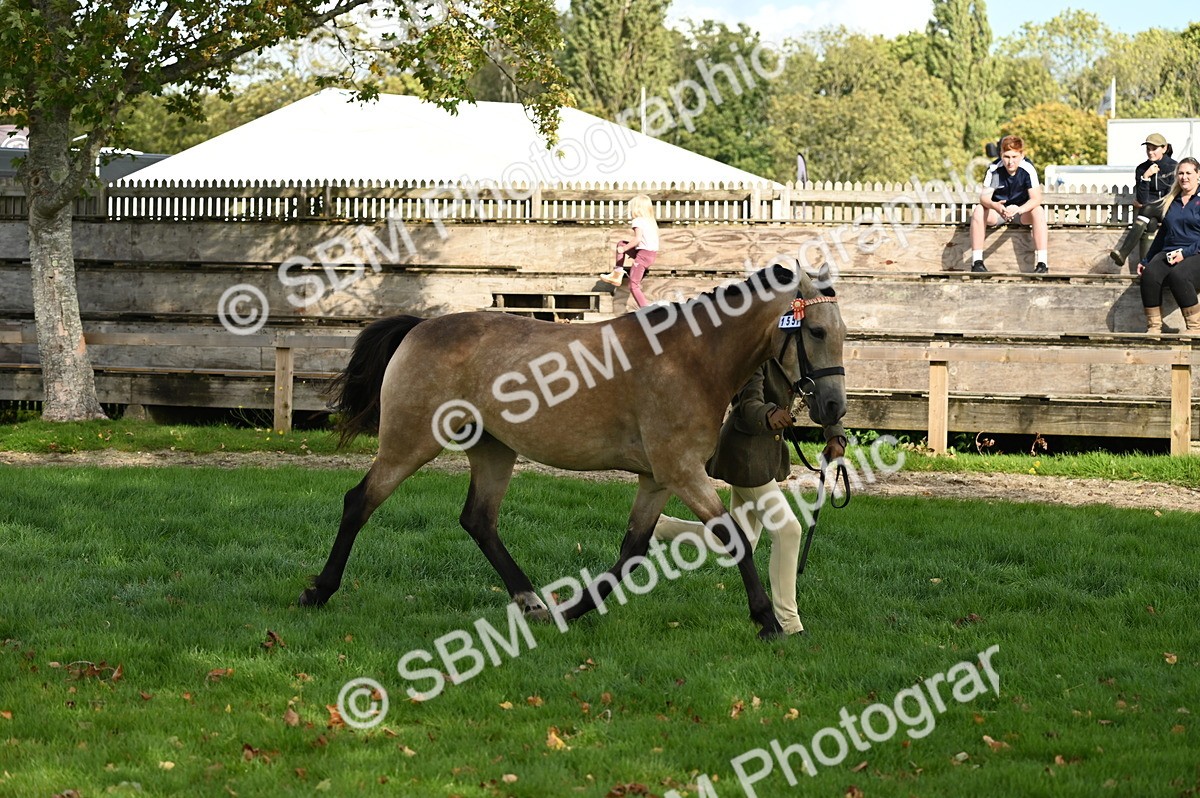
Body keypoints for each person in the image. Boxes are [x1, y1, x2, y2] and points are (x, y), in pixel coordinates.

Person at [653, 359, 847, 636]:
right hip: (744, 455)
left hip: (764, 456)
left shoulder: (801, 352)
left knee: (738, 540)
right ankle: (787, 623)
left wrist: (835, 435)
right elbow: (747, 404)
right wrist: (768, 414)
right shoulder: (757, 354)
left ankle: (659, 528)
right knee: (788, 529)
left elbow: (823, 391)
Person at [969, 135, 1050, 274]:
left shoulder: (1027, 169)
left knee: (1039, 211)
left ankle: (1042, 263)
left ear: (1022, 155)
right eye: (1006, 156)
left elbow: (1036, 198)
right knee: (978, 210)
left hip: (1021, 213)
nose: (1010, 161)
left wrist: (1019, 209)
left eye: (1014, 156)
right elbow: (984, 198)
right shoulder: (994, 169)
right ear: (1001, 155)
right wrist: (996, 206)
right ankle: (977, 262)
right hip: (999, 213)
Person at [1137, 157, 1200, 333]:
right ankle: (1155, 327)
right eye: (1181, 173)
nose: (1184, 177)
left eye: (1189, 173)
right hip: (1170, 251)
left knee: (1179, 276)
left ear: (1198, 175)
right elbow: (1162, 234)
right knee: (1149, 274)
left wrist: (1185, 253)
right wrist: (1146, 259)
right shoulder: (1172, 200)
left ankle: (1195, 328)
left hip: (1196, 252)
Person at [1110, 133, 1177, 266]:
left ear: (1164, 148)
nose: (1150, 152)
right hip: (1149, 213)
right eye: (1148, 149)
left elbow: (1171, 195)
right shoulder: (1141, 169)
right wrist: (1146, 176)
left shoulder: (1173, 166)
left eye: (1154, 148)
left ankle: (1123, 252)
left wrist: (1146, 204)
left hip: (1169, 209)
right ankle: (1145, 267)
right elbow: (1142, 199)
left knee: (1146, 209)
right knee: (1150, 224)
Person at [599, 194, 658, 307]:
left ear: (637, 208)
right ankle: (617, 273)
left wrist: (624, 249)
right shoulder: (650, 221)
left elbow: (637, 239)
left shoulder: (638, 221)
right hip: (649, 254)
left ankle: (646, 310)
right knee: (621, 243)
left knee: (633, 286)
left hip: (643, 255)